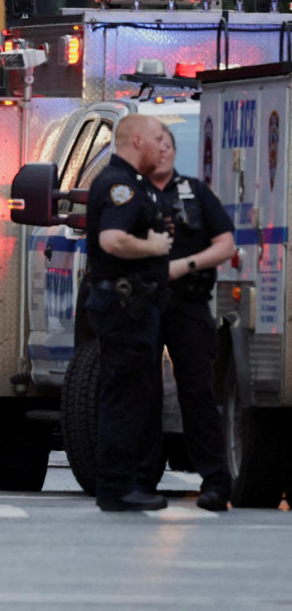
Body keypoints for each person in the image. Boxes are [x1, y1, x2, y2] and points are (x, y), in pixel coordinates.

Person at [84, 115, 174, 512]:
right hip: (124, 308)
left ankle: (125, 483)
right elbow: (112, 239)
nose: (163, 147)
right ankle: (117, 487)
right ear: (136, 140)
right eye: (158, 139)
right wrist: (153, 249)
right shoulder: (120, 186)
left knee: (134, 395)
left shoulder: (130, 184)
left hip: (129, 306)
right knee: (125, 398)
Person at [146, 129, 234, 512]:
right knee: (140, 394)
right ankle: (140, 481)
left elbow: (226, 244)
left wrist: (186, 265)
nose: (162, 151)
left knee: (197, 394)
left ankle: (215, 483)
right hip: (142, 306)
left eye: (168, 145)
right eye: (155, 145)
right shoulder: (126, 193)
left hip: (189, 303)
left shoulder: (196, 193)